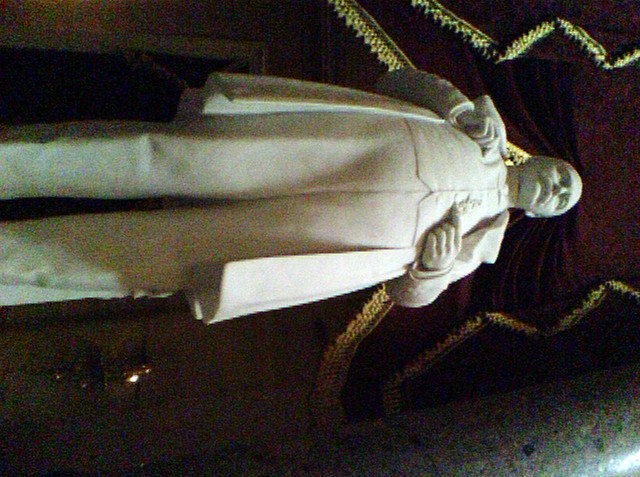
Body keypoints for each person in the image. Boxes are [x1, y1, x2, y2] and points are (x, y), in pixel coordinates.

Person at [0, 69, 582, 323]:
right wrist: (454, 106)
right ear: (539, 157)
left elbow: (408, 296)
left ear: (538, 212)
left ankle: (12, 263)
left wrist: (431, 270)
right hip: (320, 148)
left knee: (156, 254)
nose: (555, 187)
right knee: (160, 156)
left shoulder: (482, 244)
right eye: (561, 175)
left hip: (322, 234)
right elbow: (396, 81)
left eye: (560, 198)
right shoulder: (478, 125)